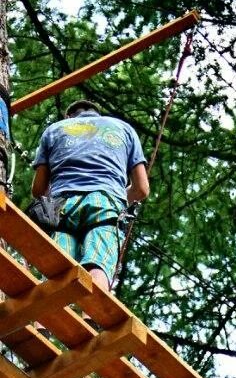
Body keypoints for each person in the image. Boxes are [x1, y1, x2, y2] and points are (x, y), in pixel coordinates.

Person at [31, 100, 150, 291]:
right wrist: (116, 197)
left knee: (57, 270)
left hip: (61, 207)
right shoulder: (124, 129)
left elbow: (39, 190)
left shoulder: (54, 130)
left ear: (69, 116)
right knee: (98, 262)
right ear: (97, 114)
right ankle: (92, 318)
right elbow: (142, 189)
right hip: (106, 202)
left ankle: (48, 319)